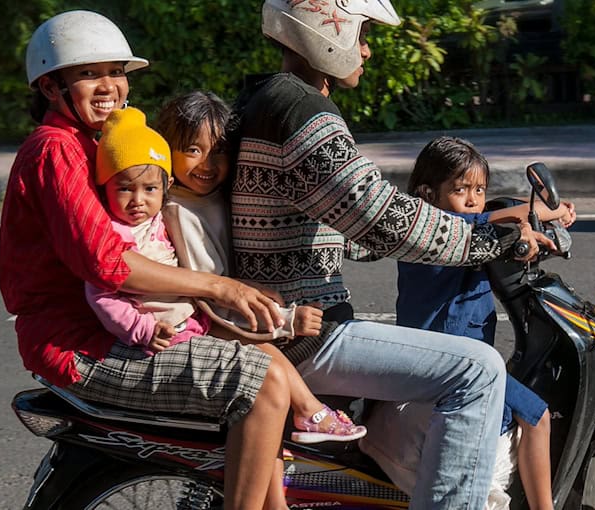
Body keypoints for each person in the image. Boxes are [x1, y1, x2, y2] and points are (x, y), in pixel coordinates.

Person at [231, 1, 554, 507]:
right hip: (307, 334)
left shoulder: (266, 99)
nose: (365, 48)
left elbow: (341, 228)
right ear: (324, 31)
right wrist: (493, 241)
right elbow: (383, 218)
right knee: (481, 369)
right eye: (360, 34)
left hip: (285, 323)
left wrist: (474, 228)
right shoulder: (301, 111)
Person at [0, 11, 292, 509]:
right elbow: (106, 263)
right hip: (82, 343)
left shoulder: (90, 143)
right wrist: (222, 287)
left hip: (113, 328)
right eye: (89, 73)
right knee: (259, 383)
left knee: (275, 369)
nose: (109, 85)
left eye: (116, 71)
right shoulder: (55, 151)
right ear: (51, 86)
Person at [87, 105, 367, 446]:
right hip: (197, 322)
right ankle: (309, 410)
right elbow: (212, 295)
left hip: (198, 316)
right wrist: (286, 320)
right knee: (266, 365)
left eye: (218, 151)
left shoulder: (203, 200)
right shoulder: (177, 212)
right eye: (192, 150)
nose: (206, 163)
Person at [397, 136, 575, 510]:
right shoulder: (434, 234)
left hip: (451, 359)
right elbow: (483, 220)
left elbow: (494, 220)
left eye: (479, 189)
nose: (473, 197)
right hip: (450, 362)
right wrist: (546, 215)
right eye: (461, 189)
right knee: (537, 414)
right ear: (428, 194)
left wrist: (536, 231)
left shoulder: (468, 232)